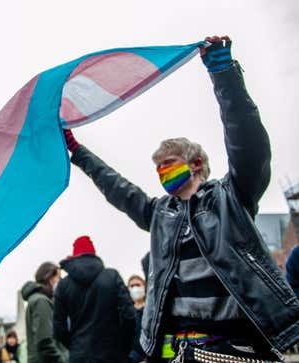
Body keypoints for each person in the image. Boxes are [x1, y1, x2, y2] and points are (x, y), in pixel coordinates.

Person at [63, 36, 299, 362]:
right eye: (157, 168)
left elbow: (248, 142)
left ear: (196, 164)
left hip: (234, 349)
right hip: (177, 351)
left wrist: (223, 73)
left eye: (168, 163)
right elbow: (115, 186)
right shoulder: (160, 213)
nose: (161, 171)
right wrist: (77, 152)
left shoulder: (230, 197)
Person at [53, 236, 135, 363]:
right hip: (113, 353)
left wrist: (75, 345)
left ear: (74, 256)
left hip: (80, 355)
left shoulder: (63, 285)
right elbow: (129, 315)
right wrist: (123, 344)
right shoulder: (112, 276)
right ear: (93, 254)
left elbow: (59, 328)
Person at [21, 262, 67, 363]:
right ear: (50, 278)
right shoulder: (41, 301)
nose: (60, 281)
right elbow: (44, 341)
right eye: (59, 277)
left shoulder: (37, 299)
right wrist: (62, 360)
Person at [127, 275, 147, 363]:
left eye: (138, 285)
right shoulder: (126, 311)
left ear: (144, 287)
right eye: (132, 286)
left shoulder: (151, 310)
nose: (135, 288)